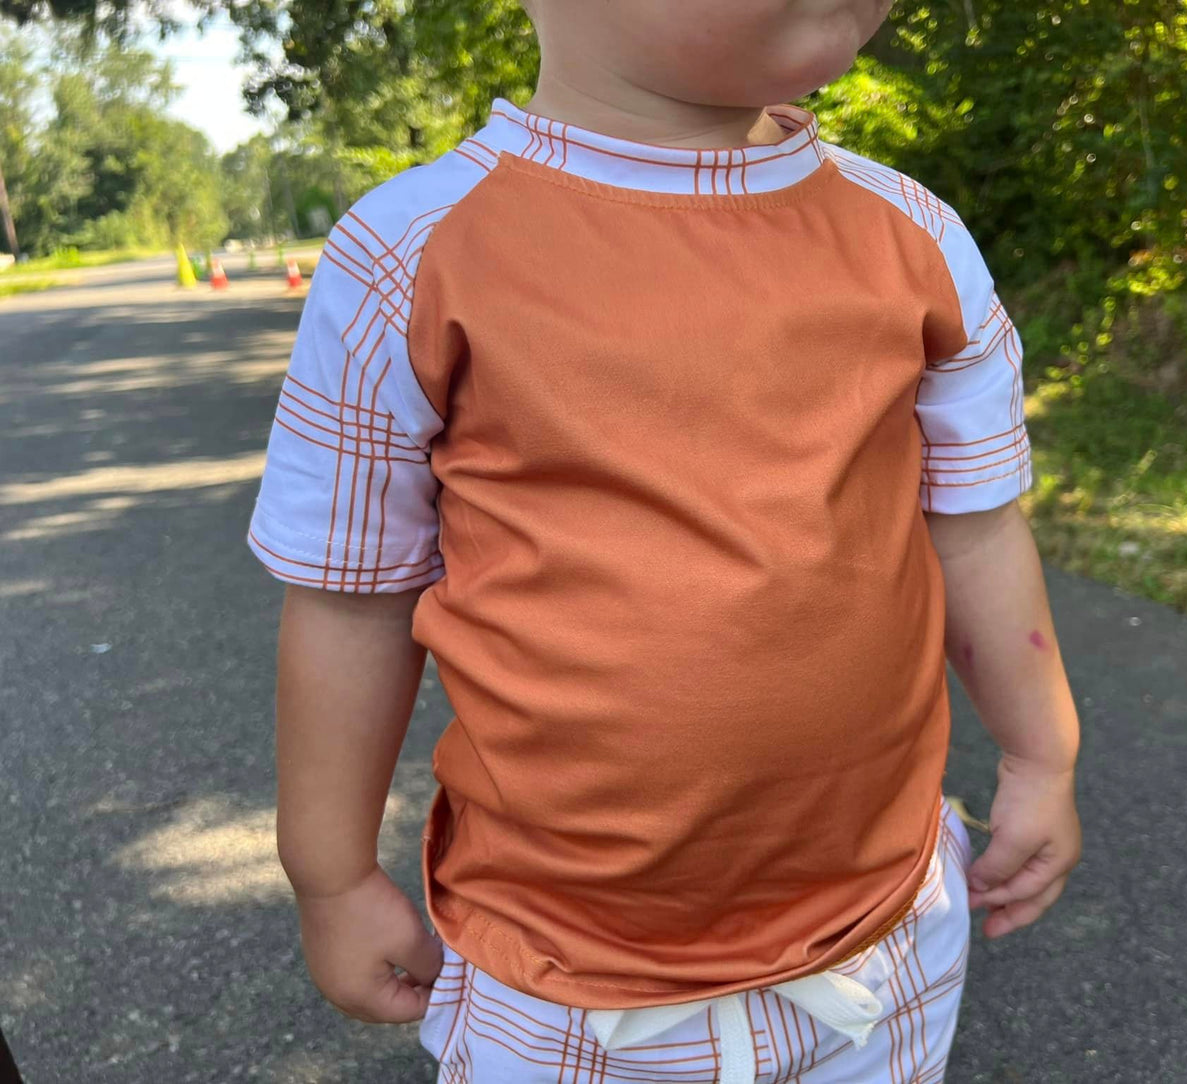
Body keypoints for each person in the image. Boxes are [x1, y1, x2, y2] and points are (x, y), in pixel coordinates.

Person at [247, 1, 1083, 1079]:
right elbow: (350, 598)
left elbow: (972, 528)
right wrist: (328, 871)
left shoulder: (908, 233)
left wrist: (1042, 749)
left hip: (882, 944)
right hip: (560, 987)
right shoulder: (410, 255)